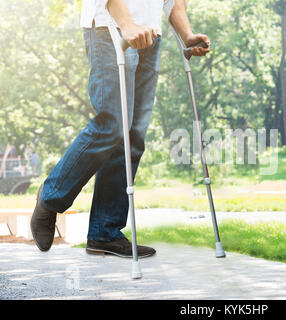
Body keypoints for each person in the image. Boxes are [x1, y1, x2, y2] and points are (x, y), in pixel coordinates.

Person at [31, 0, 210, 257]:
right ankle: (50, 197)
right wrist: (127, 24)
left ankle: (105, 233)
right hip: (110, 27)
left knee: (133, 136)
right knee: (112, 125)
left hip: (151, 35)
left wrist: (187, 35)